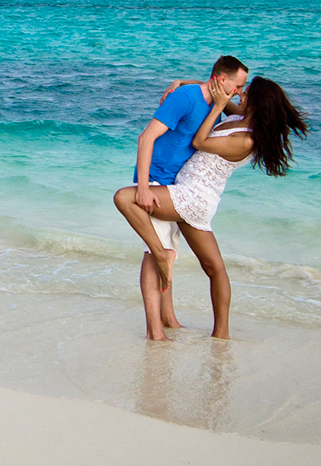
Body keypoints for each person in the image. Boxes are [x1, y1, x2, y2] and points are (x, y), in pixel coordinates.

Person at [113, 75, 309, 341]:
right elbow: (217, 89)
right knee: (214, 268)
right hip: (190, 195)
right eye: (241, 88)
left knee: (126, 198)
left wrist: (217, 107)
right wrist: (184, 83)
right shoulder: (240, 116)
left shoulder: (246, 140)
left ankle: (163, 258)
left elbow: (200, 142)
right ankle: (217, 336)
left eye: (246, 91)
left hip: (193, 197)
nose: (240, 94)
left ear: (259, 102)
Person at [120, 56, 249, 339]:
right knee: (156, 256)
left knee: (169, 253)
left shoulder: (217, 102)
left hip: (178, 184)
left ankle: (169, 319)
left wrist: (182, 79)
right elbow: (146, 138)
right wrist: (143, 187)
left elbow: (229, 104)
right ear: (221, 81)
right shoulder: (186, 99)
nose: (240, 92)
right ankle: (155, 332)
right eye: (238, 85)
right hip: (156, 179)